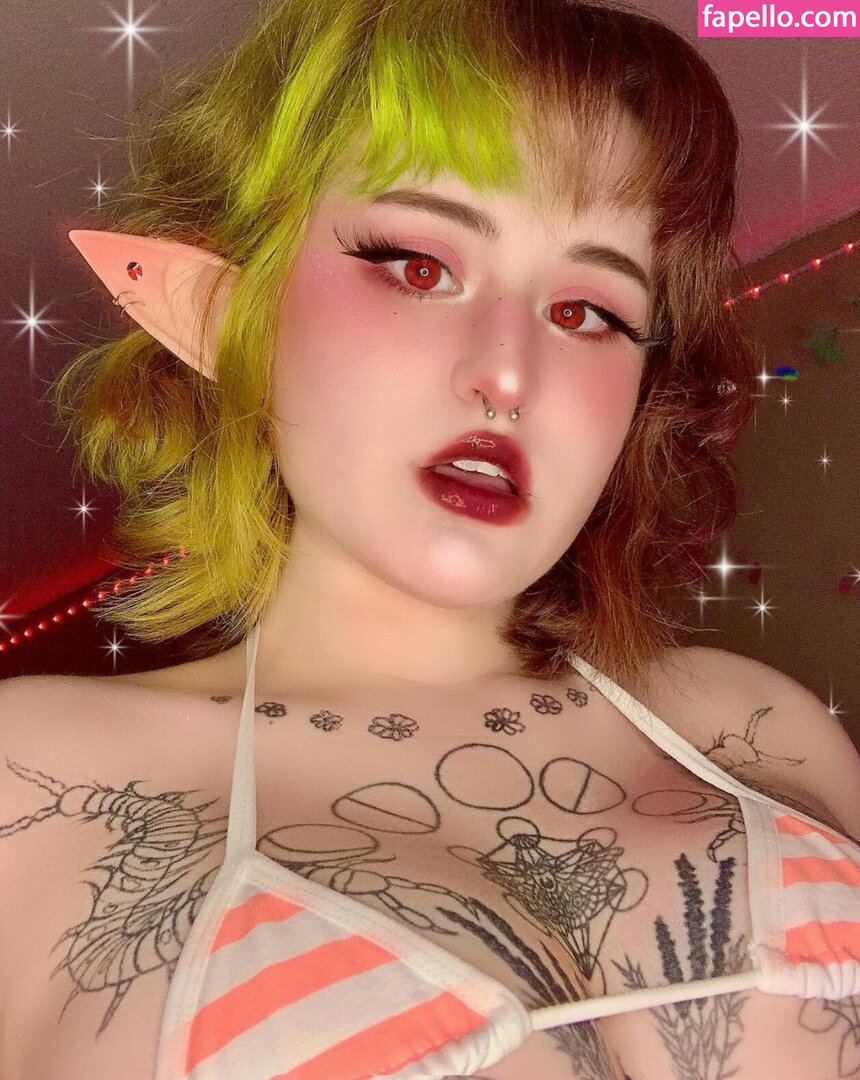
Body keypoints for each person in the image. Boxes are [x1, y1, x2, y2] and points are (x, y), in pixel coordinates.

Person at [3, 0, 860, 1077]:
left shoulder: (760, 725)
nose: (508, 374)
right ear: (232, 311)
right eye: (417, 267)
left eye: (587, 312)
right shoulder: (30, 772)